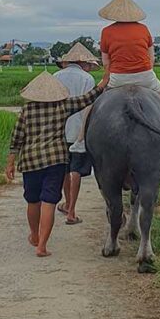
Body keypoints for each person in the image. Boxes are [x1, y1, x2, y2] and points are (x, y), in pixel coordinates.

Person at [70, 0, 160, 153]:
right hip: (145, 76)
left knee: (91, 105)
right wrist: (143, 72)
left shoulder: (106, 32)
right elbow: (151, 59)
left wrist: (110, 78)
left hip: (118, 78)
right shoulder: (144, 29)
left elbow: (106, 62)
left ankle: (80, 140)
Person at [6, 70, 108, 257]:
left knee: (33, 200)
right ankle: (42, 246)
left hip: (30, 161)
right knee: (50, 201)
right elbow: (88, 98)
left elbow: (17, 137)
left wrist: (11, 162)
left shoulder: (27, 110)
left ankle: (35, 235)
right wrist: (105, 81)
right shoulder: (62, 106)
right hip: (56, 161)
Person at [52, 42, 99, 225]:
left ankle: (68, 203)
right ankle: (71, 211)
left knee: (64, 169)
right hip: (80, 130)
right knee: (76, 170)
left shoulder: (56, 76)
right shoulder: (87, 79)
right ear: (83, 63)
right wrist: (82, 134)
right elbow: (89, 106)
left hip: (58, 130)